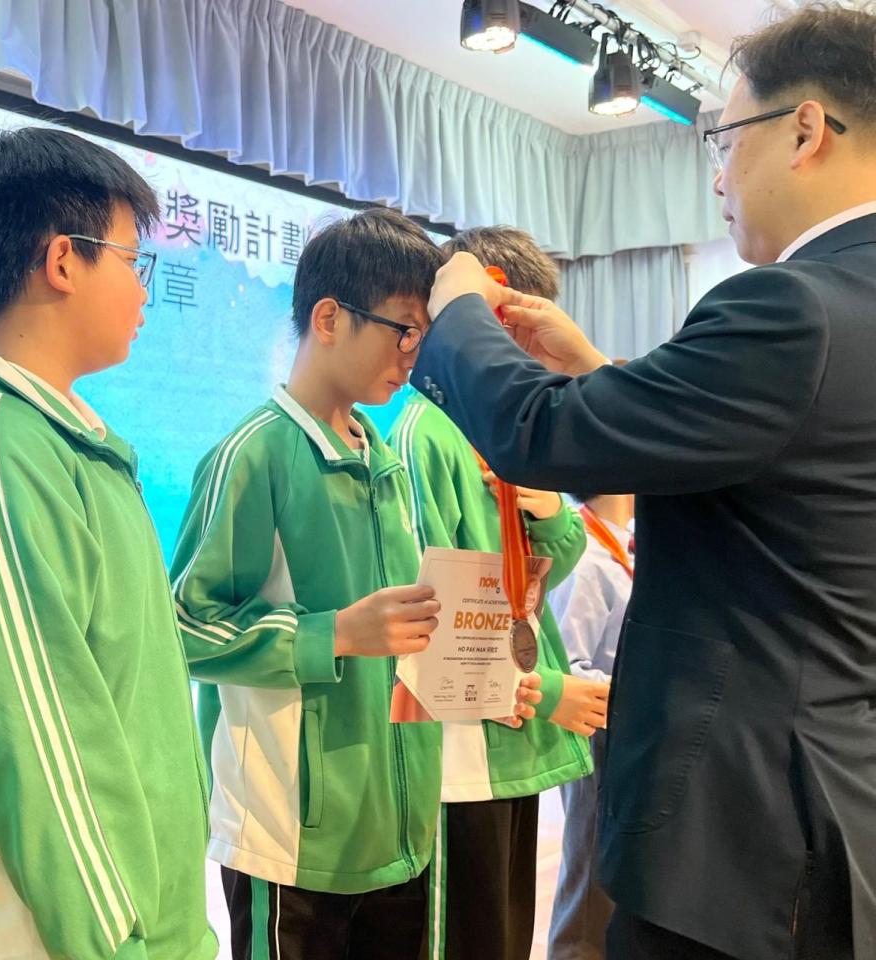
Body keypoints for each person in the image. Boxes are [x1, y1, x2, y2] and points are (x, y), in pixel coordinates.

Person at [410, 6, 876, 959]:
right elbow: (774, 481)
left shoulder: (793, 308)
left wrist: (455, 311)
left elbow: (536, 432)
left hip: (742, 839)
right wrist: (596, 370)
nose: (718, 176)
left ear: (805, 130)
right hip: (825, 798)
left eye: (724, 142)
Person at [171, 208, 539, 960]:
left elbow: (418, 629)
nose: (413, 354)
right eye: (402, 329)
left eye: (422, 335)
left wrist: (489, 680)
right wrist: (334, 634)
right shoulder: (254, 455)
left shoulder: (386, 459)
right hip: (288, 843)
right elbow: (183, 626)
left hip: (401, 833)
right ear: (329, 318)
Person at [0, 126, 217, 960]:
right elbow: (32, 742)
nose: (142, 291)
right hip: (64, 938)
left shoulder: (64, 441)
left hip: (142, 925)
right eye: (132, 260)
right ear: (63, 260)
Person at [389, 226, 603, 960]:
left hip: (508, 739)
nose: (532, 356)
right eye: (521, 330)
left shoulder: (496, 432)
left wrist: (551, 512)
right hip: (461, 747)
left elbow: (534, 581)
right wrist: (546, 691)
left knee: (506, 937)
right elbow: (437, 617)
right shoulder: (428, 434)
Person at [546, 492, 635, 960]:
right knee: (590, 886)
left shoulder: (627, 544)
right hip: (598, 733)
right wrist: (639, 689)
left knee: (614, 880)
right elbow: (566, 666)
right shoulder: (585, 557)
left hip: (630, 732)